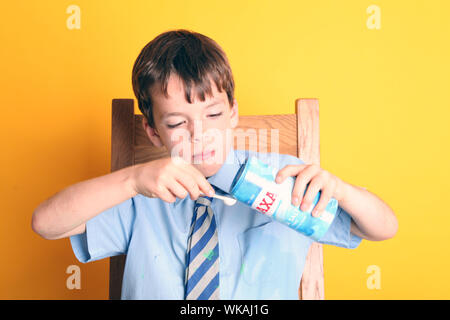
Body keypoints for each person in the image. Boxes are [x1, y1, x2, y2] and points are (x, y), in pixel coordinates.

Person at [31, 29, 398, 299]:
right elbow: (45, 223)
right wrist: (129, 181)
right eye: (177, 123)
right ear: (153, 131)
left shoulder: (283, 177)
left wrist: (342, 191)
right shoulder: (140, 193)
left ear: (233, 112)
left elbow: (383, 228)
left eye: (213, 113)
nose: (199, 133)